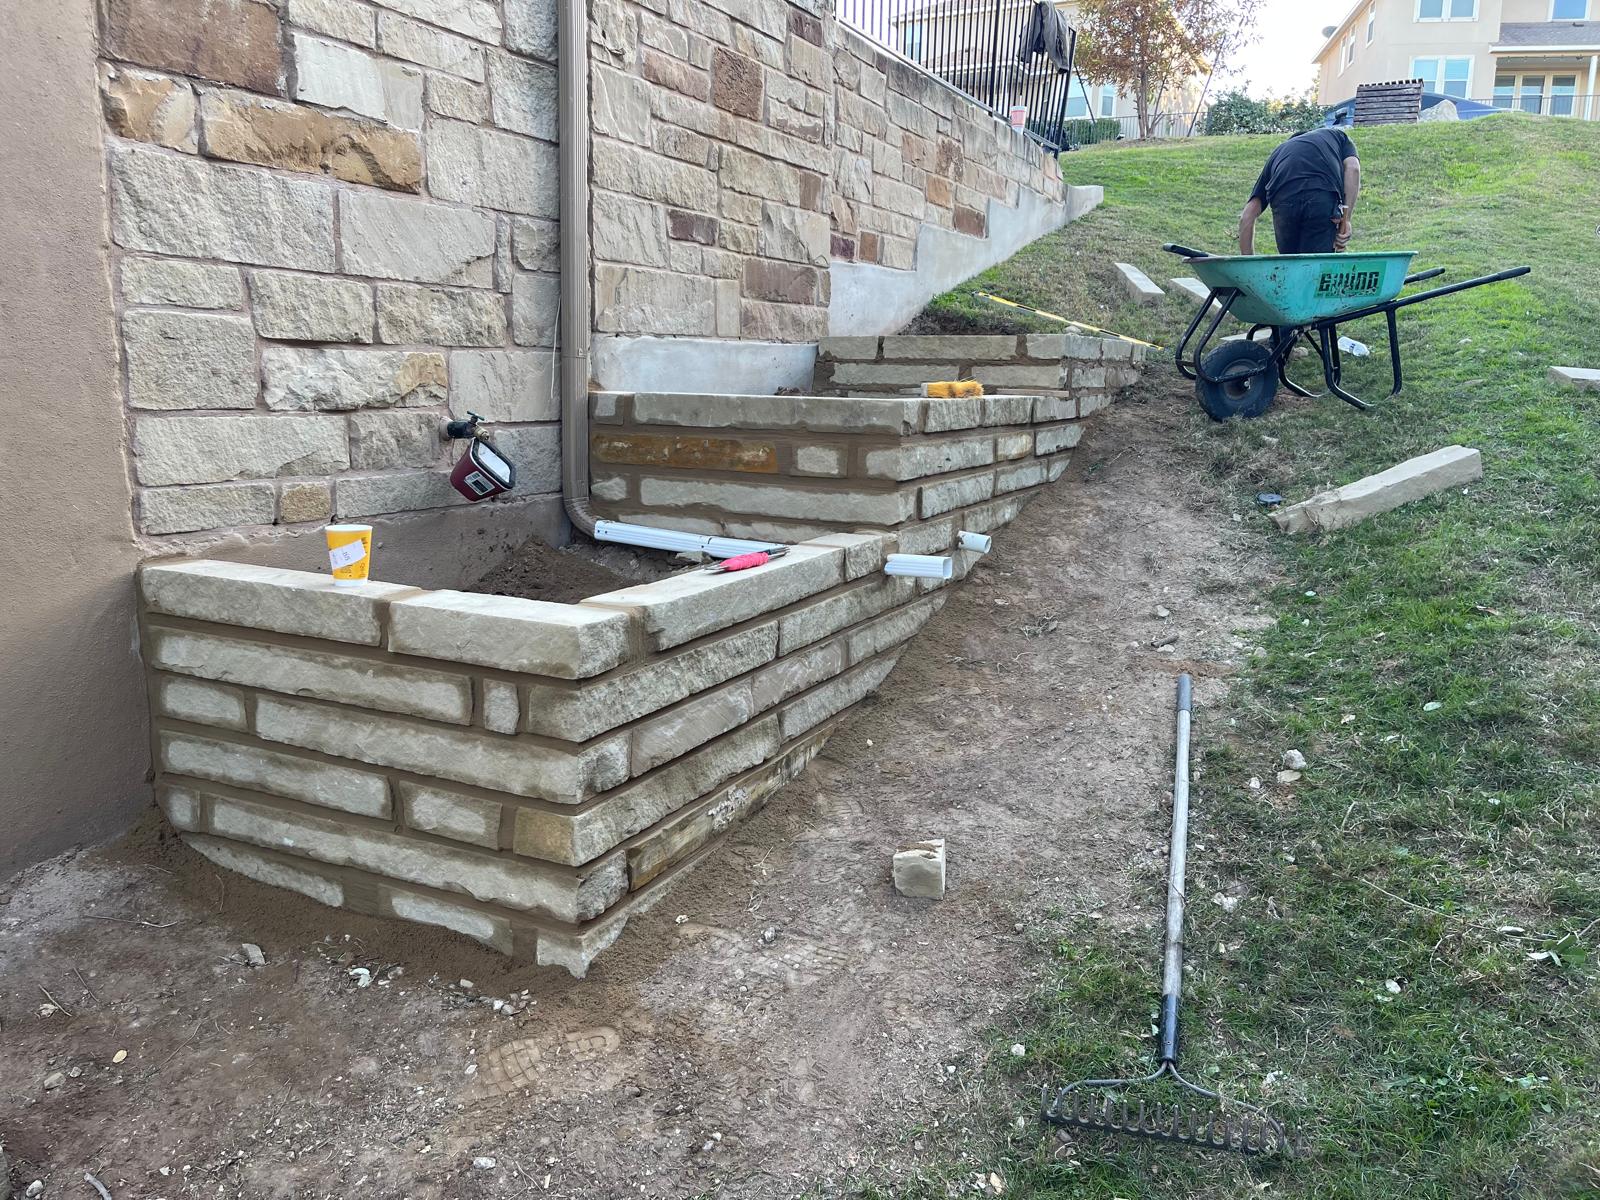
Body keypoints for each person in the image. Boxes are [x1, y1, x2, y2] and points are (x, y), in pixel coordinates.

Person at [1238, 127, 1360, 256]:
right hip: (1320, 195)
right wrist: (1346, 219)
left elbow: (1247, 217)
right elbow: (1353, 168)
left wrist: (1249, 271)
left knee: (1290, 266)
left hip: (1283, 202)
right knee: (1316, 267)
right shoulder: (1338, 136)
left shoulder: (1278, 153)